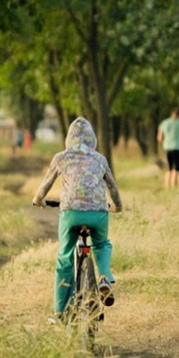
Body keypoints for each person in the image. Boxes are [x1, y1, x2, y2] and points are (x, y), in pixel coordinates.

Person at [32, 117, 123, 321]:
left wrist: (38, 200)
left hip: (70, 213)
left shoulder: (61, 157)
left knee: (65, 256)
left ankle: (59, 311)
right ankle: (104, 277)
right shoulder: (100, 159)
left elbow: (45, 185)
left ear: (68, 138)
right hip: (98, 212)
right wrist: (118, 206)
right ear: (93, 139)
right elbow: (113, 187)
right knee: (102, 244)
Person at [157, 107, 179, 188]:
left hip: (167, 147)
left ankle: (167, 186)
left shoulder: (164, 122)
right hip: (177, 147)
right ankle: (174, 186)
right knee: (177, 168)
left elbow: (159, 138)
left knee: (169, 168)